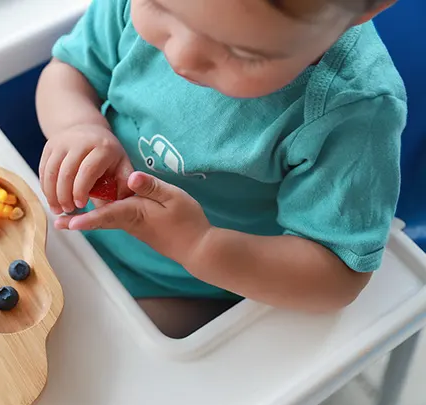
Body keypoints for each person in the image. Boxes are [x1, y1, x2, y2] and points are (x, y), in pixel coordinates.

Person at [35, 0, 406, 338]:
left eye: (241, 53)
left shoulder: (352, 109)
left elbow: (337, 276)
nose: (182, 58)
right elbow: (69, 72)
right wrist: (78, 126)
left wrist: (201, 247)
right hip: (64, 229)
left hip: (186, 288)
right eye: (158, 7)